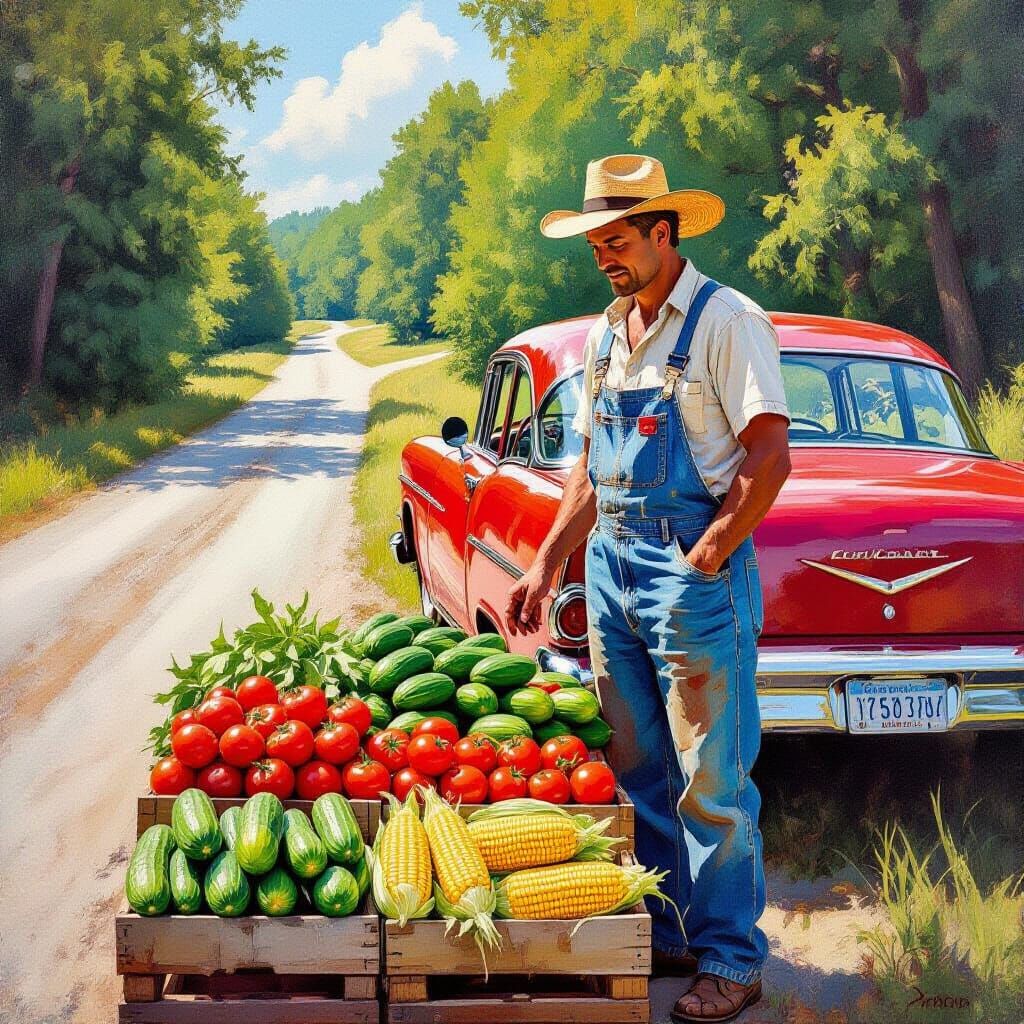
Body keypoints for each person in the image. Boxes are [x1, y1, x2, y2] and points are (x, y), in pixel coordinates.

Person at [504, 154, 791, 1023]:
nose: (604, 257)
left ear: (663, 232)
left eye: (617, 241)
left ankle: (733, 960)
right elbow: (590, 469)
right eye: (595, 244)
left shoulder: (726, 321)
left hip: (688, 575)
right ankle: (667, 932)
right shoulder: (606, 334)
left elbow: (769, 455)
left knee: (712, 778)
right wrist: (546, 563)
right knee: (638, 767)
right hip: (610, 569)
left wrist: (709, 552)